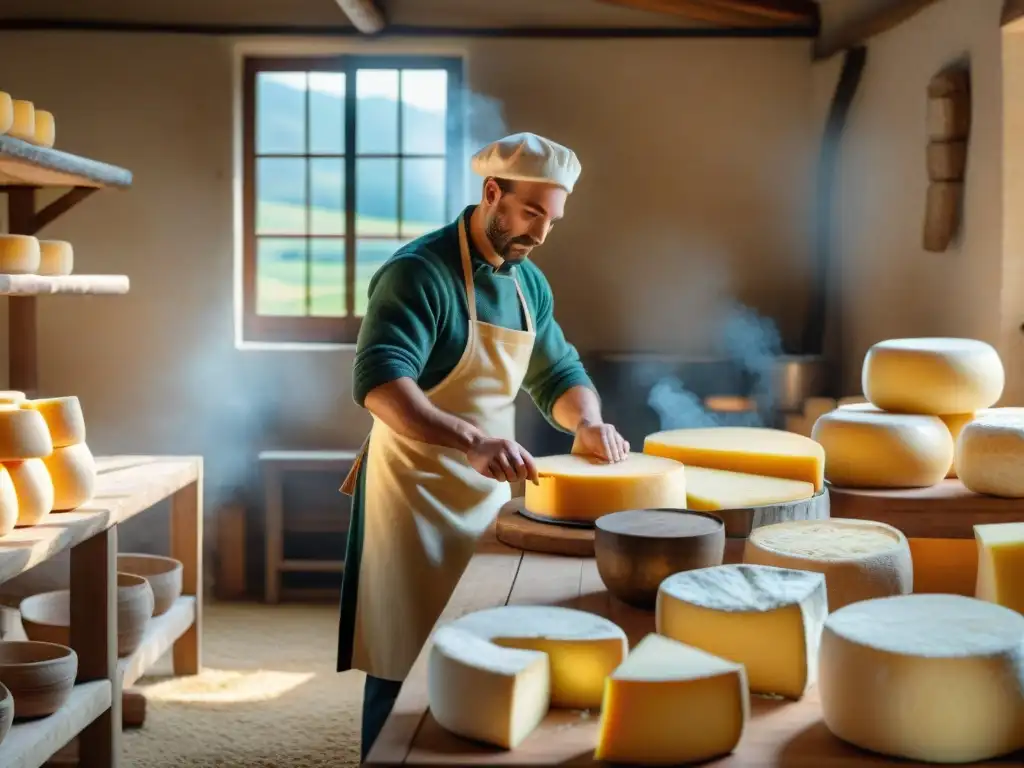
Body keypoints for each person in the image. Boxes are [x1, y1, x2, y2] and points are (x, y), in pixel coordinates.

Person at [336, 132, 630, 761]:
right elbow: (382, 384)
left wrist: (587, 422)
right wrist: (469, 438)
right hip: (412, 496)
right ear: (492, 193)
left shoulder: (529, 284)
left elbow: (557, 373)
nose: (540, 234)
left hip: (489, 491)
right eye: (530, 214)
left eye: (551, 220)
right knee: (401, 652)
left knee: (482, 647)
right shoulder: (418, 273)